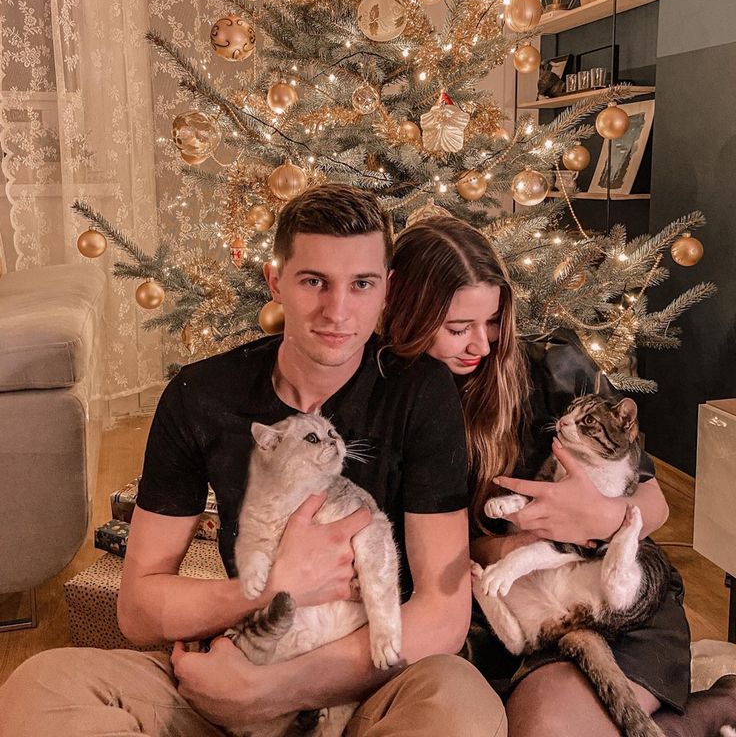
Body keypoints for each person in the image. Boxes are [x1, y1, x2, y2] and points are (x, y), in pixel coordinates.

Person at [0, 184, 506, 737]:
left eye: (361, 284)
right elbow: (139, 607)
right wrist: (270, 589)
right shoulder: (201, 395)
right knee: (40, 690)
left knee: (462, 707)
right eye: (314, 281)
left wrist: (270, 693)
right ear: (276, 281)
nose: (338, 311)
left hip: (367, 683)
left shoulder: (419, 392)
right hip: (246, 655)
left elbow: (443, 612)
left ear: (387, 288)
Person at [381, 215, 696, 736]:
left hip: (609, 599)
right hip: (497, 609)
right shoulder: (388, 398)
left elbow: (655, 504)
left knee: (550, 726)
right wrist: (505, 550)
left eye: (494, 322)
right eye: (458, 329)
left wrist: (597, 517)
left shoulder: (558, 367)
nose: (481, 345)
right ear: (403, 312)